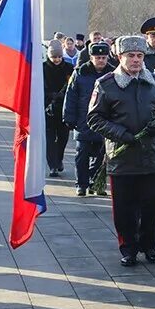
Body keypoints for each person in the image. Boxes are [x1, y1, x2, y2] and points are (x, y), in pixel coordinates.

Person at [87, 35, 155, 267]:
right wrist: (121, 134)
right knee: (124, 209)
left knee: (152, 206)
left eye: (140, 56)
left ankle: (149, 245)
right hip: (121, 157)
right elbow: (94, 118)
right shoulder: (106, 84)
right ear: (120, 57)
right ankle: (129, 248)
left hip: (150, 157)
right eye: (130, 56)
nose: (135, 60)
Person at [63, 41, 116, 195]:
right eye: (98, 57)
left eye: (104, 57)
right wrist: (69, 118)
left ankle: (95, 182)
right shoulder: (80, 73)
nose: (101, 60)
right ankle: (81, 184)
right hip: (83, 120)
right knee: (82, 154)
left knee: (102, 155)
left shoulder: (112, 74)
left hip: (104, 122)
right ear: (91, 58)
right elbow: (71, 96)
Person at [44, 40, 74, 177]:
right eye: (54, 57)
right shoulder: (42, 68)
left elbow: (73, 86)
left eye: (59, 57)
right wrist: (50, 95)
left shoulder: (69, 68)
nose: (56, 60)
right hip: (48, 107)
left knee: (63, 137)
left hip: (64, 107)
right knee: (49, 138)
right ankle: (53, 165)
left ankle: (59, 159)